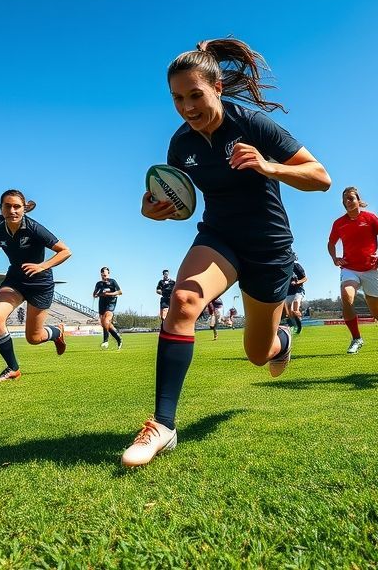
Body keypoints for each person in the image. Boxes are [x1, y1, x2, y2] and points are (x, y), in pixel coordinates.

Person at [122, 37, 330, 467]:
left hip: (270, 247)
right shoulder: (180, 145)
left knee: (258, 354)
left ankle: (282, 340)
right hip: (219, 237)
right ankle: (163, 425)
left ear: (216, 87)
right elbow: (176, 202)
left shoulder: (252, 124)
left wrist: (269, 165)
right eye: (177, 98)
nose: (187, 106)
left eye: (195, 95)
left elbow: (321, 176)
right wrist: (153, 211)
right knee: (183, 300)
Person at [0, 189, 71, 382]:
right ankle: (13, 368)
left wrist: (43, 266)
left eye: (17, 206)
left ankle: (57, 332)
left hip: (40, 285)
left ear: (24, 209)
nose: (12, 210)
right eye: (7, 206)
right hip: (15, 281)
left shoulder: (34, 228)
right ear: (1, 208)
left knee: (33, 338)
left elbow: (65, 251)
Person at [328, 186, 378, 354]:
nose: (348, 202)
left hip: (371, 269)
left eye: (351, 198)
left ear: (358, 200)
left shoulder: (370, 218)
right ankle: (357, 338)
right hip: (349, 268)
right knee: (346, 295)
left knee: (377, 312)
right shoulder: (339, 223)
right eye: (345, 200)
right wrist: (335, 258)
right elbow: (331, 243)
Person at [93, 266, 123, 350]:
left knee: (106, 321)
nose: (104, 277)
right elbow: (94, 294)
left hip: (111, 302)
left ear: (108, 274)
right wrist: (98, 294)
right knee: (105, 324)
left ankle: (105, 341)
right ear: (101, 274)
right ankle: (118, 339)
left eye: (106, 275)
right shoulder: (99, 284)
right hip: (102, 303)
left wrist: (108, 294)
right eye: (103, 275)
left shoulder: (113, 282)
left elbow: (120, 292)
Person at [284, 254, 307, 334]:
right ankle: (294, 326)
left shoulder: (296, 265)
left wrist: (297, 282)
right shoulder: (283, 267)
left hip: (298, 290)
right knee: (289, 313)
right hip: (287, 293)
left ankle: (299, 326)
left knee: (295, 310)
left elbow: (305, 278)